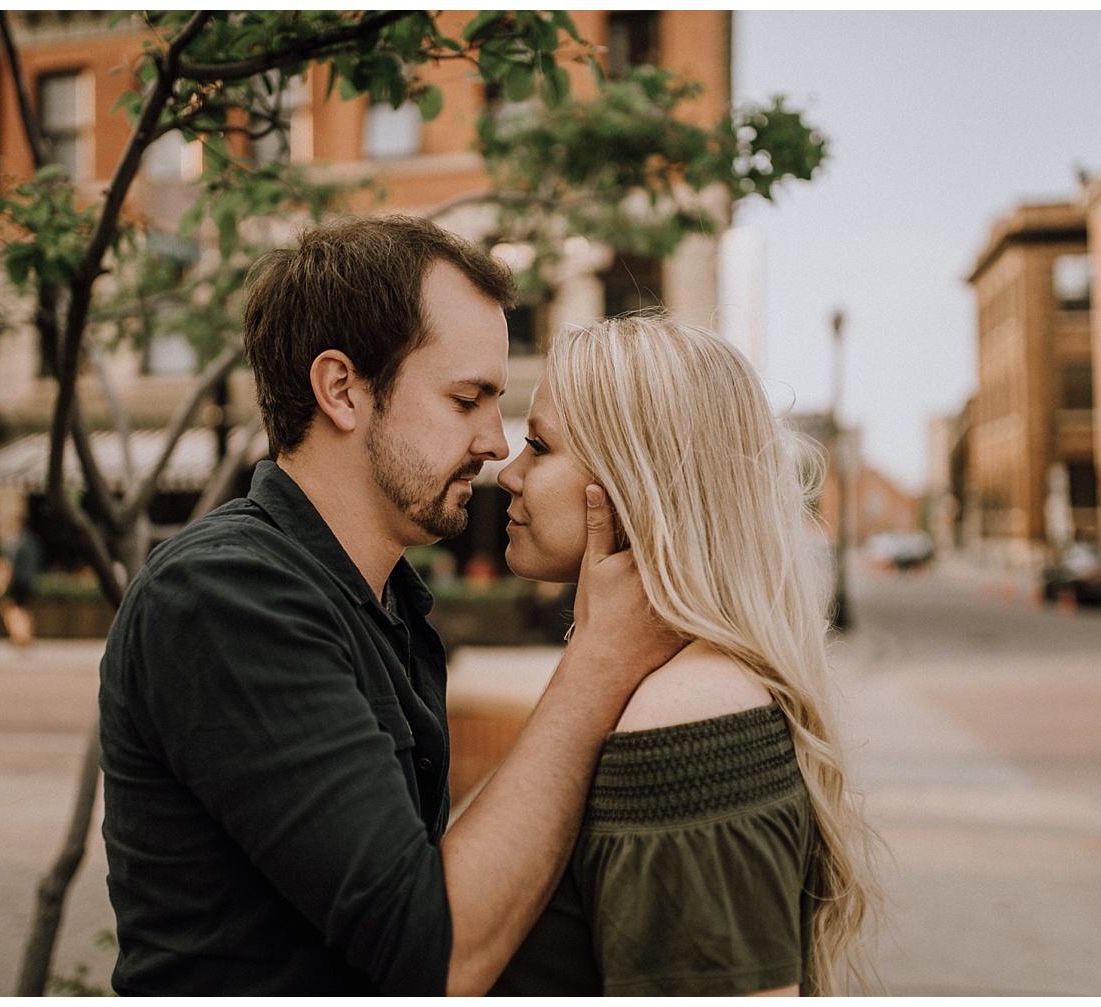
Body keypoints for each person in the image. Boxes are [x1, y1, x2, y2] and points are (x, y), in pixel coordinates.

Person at [97, 216, 682, 995]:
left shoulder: (389, 604)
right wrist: (600, 662)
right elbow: (433, 952)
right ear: (342, 389)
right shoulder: (222, 594)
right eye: (466, 398)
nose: (494, 443)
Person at [490, 313, 882, 996]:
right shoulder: (663, 685)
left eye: (538, 445)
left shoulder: (687, 711)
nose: (509, 472)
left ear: (629, 479)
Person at [0, 517, 43, 648]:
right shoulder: (32, 541)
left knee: (11, 607)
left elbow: (8, 564)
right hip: (29, 580)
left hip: (16, 580)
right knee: (24, 607)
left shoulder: (14, 543)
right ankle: (26, 634)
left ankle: (20, 635)